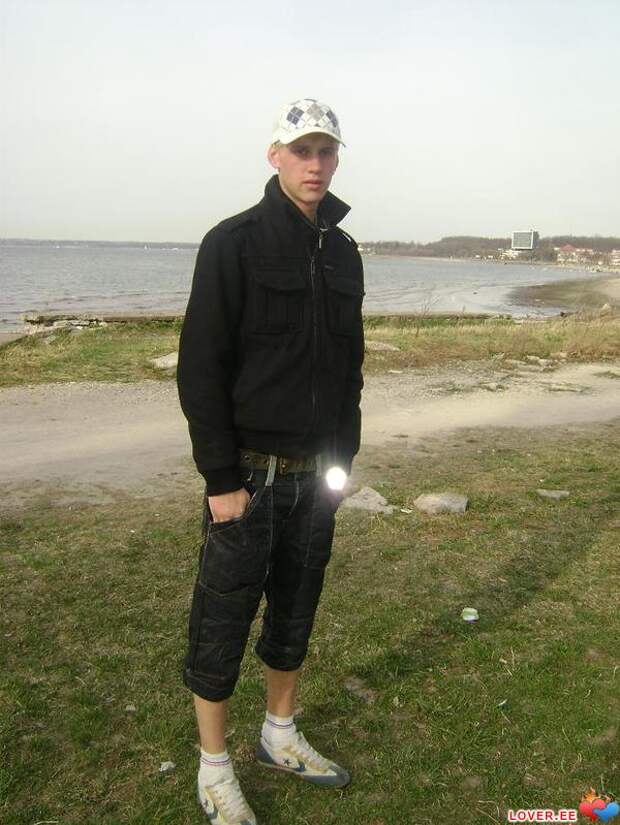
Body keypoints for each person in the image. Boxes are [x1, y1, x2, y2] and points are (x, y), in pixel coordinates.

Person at [177, 97, 365, 825]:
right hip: (248, 481)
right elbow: (201, 369)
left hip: (317, 479)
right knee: (221, 623)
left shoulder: (344, 252)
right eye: (302, 150)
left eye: (326, 151)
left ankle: (280, 734)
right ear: (275, 155)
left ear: (337, 159)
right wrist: (221, 480)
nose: (315, 164)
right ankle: (214, 767)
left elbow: (349, 369)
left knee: (295, 612)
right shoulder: (232, 243)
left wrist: (342, 462)